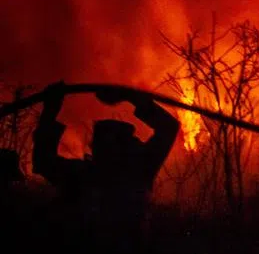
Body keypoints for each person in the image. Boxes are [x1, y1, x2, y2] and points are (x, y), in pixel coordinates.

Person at [32, 83, 180, 234]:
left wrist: (51, 109)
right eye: (130, 140)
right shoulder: (138, 172)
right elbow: (168, 127)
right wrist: (131, 97)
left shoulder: (81, 175)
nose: (136, 142)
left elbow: (44, 161)